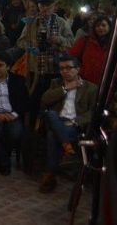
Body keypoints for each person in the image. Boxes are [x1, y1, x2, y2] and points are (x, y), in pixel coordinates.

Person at [38, 55, 98, 193]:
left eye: (68, 68)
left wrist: (75, 121)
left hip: (74, 126)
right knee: (52, 114)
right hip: (57, 121)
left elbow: (92, 112)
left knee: (53, 135)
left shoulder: (91, 88)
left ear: (77, 69)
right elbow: (44, 100)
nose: (65, 71)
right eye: (62, 68)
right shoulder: (56, 83)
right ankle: (66, 145)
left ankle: (50, 175)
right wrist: (66, 88)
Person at [68, 15, 110, 85]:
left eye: (103, 25)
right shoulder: (84, 41)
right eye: (98, 25)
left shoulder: (113, 44)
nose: (100, 28)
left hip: (106, 84)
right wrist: (80, 71)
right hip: (86, 83)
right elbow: (72, 57)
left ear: (109, 27)